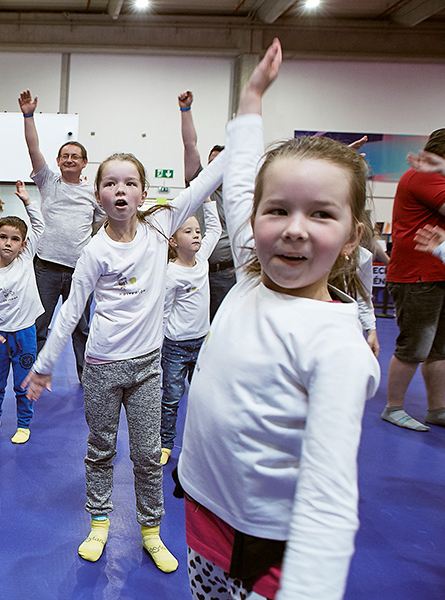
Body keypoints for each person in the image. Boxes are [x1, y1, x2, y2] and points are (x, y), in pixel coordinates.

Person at [178, 40, 380, 600]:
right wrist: (251, 99)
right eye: (279, 210)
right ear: (255, 220)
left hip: (266, 549)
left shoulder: (335, 346)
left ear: (350, 239)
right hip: (206, 522)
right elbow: (243, 178)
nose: (294, 228)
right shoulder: (250, 274)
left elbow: (330, 497)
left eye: (320, 214)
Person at [24, 142, 226, 569]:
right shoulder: (95, 251)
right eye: (111, 183)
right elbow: (71, 312)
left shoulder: (161, 225)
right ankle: (99, 523)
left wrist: (244, 132)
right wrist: (43, 366)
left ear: (142, 193)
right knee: (100, 448)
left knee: (147, 454)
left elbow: (207, 179)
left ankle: (151, 531)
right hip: (101, 368)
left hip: (147, 368)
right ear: (99, 195)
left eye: (130, 183)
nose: (120, 189)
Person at [19, 89, 104, 382]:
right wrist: (28, 116)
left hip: (80, 271)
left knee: (80, 327)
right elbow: (33, 149)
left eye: (75, 157)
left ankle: (86, 375)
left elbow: (104, 224)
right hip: (46, 268)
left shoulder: (93, 193)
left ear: (84, 163)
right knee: (39, 324)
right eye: (65, 156)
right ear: (57, 161)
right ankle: (36, 370)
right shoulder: (48, 181)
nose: (69, 160)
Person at [382, 128, 445, 431]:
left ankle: (438, 408)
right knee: (415, 345)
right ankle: (394, 407)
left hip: (437, 271)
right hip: (418, 275)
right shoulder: (424, 175)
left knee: (440, 347)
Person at [0, 181, 43, 444]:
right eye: (3, 237)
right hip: (0, 336)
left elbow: (40, 227)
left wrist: (28, 201)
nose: (8, 243)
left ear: (23, 244)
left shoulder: (26, 258)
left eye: (15, 239)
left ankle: (24, 424)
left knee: (23, 381)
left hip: (25, 333)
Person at [159, 200, 220, 465]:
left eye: (197, 231)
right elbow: (162, 312)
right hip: (176, 346)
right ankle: (165, 442)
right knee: (171, 397)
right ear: (173, 241)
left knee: (204, 395)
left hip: (203, 344)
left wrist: (208, 202)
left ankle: (205, 441)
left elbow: (215, 229)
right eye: (188, 231)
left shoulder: (203, 260)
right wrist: (156, 345)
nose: (196, 235)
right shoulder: (171, 273)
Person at [179, 90, 235, 320]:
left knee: (221, 326)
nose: (213, 169)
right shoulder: (199, 186)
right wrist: (185, 110)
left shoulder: (239, 194)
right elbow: (190, 145)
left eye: (219, 164)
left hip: (226, 274)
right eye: (210, 163)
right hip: (195, 269)